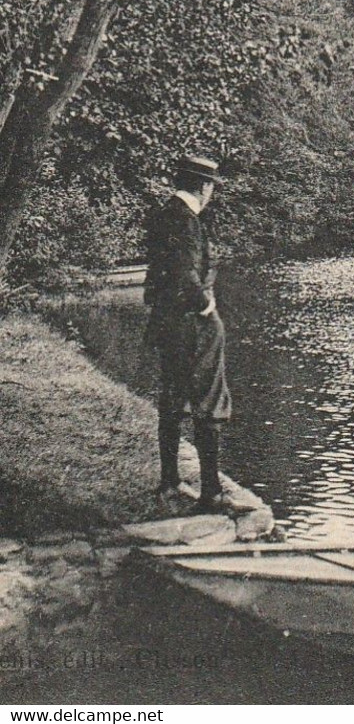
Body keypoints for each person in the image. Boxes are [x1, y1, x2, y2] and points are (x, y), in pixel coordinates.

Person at [143, 155, 232, 513]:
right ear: (204, 186)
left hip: (168, 324)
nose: (211, 192)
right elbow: (184, 273)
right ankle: (211, 491)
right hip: (193, 325)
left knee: (172, 398)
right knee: (209, 402)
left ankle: (170, 480)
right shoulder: (187, 221)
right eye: (211, 186)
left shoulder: (165, 214)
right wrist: (206, 307)